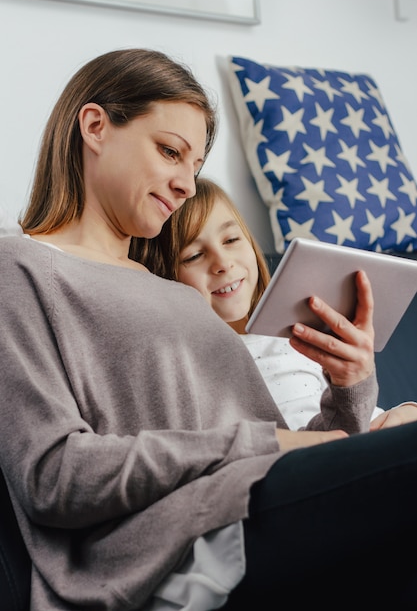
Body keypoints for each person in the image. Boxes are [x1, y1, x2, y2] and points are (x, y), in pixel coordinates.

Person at [1, 48, 417, 611]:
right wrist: (262, 444)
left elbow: (295, 440)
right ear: (95, 126)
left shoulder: (181, 295)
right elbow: (54, 477)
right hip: (178, 544)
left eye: (193, 168)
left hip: (258, 500)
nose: (184, 185)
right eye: (170, 152)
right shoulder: (20, 268)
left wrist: (349, 385)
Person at [135, 177, 397, 431]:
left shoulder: (298, 334)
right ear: (165, 276)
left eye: (231, 240)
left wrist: (403, 412)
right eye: (194, 256)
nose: (223, 263)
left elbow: (358, 412)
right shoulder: (188, 367)